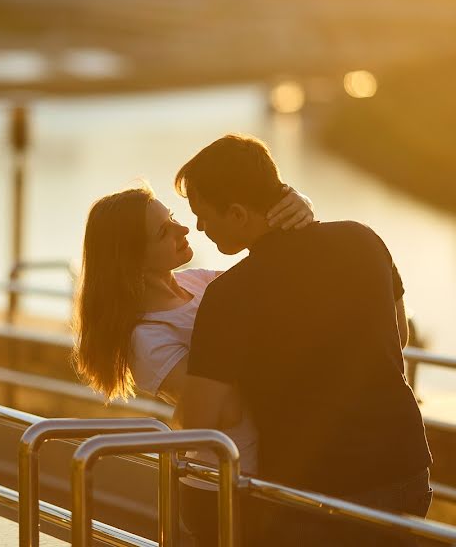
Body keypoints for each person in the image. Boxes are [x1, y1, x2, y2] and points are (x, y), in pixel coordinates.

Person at [177, 134, 432, 546]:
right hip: (405, 469)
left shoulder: (230, 295)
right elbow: (398, 336)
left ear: (238, 213)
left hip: (317, 489)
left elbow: (199, 421)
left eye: (203, 215)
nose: (200, 228)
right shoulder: (364, 239)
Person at [72, 181, 314, 546]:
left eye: (172, 219)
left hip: (263, 474)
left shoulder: (198, 283)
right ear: (133, 257)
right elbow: (223, 408)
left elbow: (275, 281)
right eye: (163, 231)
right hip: (222, 484)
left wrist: (296, 211)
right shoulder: (146, 336)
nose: (184, 228)